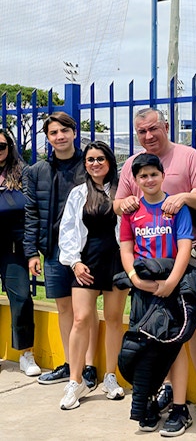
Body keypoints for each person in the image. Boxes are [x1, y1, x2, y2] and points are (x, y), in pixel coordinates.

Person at [114, 107, 196, 423]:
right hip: (149, 260)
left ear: (166, 126)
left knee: (195, 323)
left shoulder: (188, 157)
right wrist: (126, 203)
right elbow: (119, 204)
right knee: (156, 326)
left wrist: (184, 197)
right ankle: (169, 388)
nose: (148, 136)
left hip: (186, 254)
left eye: (153, 129)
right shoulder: (133, 165)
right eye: (141, 132)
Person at [23, 112, 99, 388]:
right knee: (64, 309)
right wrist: (32, 252)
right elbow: (31, 214)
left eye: (64, 131)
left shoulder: (89, 164)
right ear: (48, 137)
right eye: (53, 133)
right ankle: (70, 364)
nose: (60, 137)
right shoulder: (37, 172)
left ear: (74, 133)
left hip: (87, 250)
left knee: (85, 311)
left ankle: (89, 367)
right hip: (54, 250)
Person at [119, 153, 194, 435]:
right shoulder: (131, 211)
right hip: (143, 288)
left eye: (153, 174)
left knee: (175, 345)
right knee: (145, 348)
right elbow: (126, 248)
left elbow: (184, 247)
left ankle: (178, 408)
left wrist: (172, 283)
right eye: (142, 176)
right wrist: (135, 279)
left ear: (163, 175)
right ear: (135, 181)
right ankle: (148, 402)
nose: (148, 180)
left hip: (172, 287)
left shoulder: (176, 208)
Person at [58, 141, 128, 410]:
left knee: (113, 319)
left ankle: (110, 376)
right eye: (90, 160)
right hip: (86, 262)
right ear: (85, 164)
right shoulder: (78, 194)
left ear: (109, 161)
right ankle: (75, 381)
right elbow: (68, 231)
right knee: (81, 319)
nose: (95, 163)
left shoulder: (121, 191)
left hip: (117, 262)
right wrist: (74, 262)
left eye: (100, 159)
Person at [0, 128, 41, 377]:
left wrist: (30, 249)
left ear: (9, 147)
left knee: (22, 299)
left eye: (1, 146)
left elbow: (30, 213)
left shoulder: (21, 172)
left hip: (13, 248)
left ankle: (26, 353)